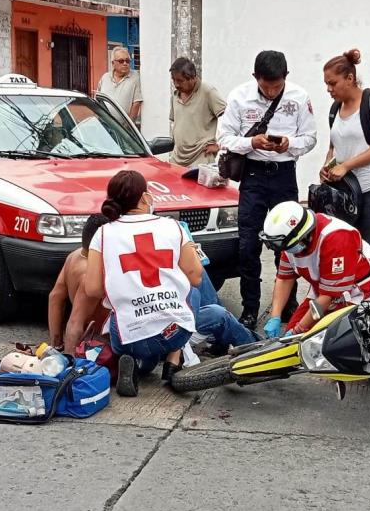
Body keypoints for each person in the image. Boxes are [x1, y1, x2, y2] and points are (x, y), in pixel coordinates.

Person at [84, 170, 254, 396]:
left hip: (125, 336)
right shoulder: (172, 227)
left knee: (139, 342)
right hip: (172, 332)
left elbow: (93, 289)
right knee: (190, 293)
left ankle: (135, 362)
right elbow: (196, 277)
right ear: (145, 197)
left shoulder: (102, 234)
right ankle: (174, 357)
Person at [217, 50, 317, 329]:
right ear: (255, 78)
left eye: (277, 85)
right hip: (253, 176)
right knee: (248, 245)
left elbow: (310, 138)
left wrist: (289, 144)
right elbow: (223, 137)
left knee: (290, 243)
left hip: (284, 175)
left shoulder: (298, 97)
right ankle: (250, 308)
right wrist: (252, 143)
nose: (271, 91)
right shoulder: (239, 96)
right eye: (266, 86)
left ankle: (287, 305)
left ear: (286, 77)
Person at [259, 201, 370, 337]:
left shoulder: (336, 239)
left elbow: (329, 297)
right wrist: (275, 316)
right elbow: (284, 279)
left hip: (357, 294)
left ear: (304, 237)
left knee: (320, 342)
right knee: (290, 342)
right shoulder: (289, 241)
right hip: (322, 292)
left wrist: (299, 330)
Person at [321, 49, 370, 263]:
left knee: (369, 249)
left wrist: (347, 166)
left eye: (332, 83)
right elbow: (333, 146)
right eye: (326, 84)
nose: (328, 89)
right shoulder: (336, 108)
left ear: (350, 78)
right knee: (344, 247)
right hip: (345, 192)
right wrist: (327, 166)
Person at [48, 214, 111, 355]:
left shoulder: (73, 256)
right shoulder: (92, 274)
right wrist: (71, 365)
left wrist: (56, 344)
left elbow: (55, 298)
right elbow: (75, 324)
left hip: (88, 339)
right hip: (97, 342)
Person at [168, 57, 226, 167]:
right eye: (173, 80)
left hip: (200, 158)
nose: (176, 84)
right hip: (177, 159)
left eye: (180, 80)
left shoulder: (208, 92)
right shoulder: (175, 96)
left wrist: (220, 145)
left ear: (193, 78)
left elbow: (230, 119)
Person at [97, 47, 143, 122]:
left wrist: (128, 127)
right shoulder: (105, 77)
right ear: (113, 63)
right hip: (104, 124)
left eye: (127, 61)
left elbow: (136, 104)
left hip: (122, 129)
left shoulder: (135, 77)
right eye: (121, 61)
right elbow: (98, 100)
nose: (125, 64)